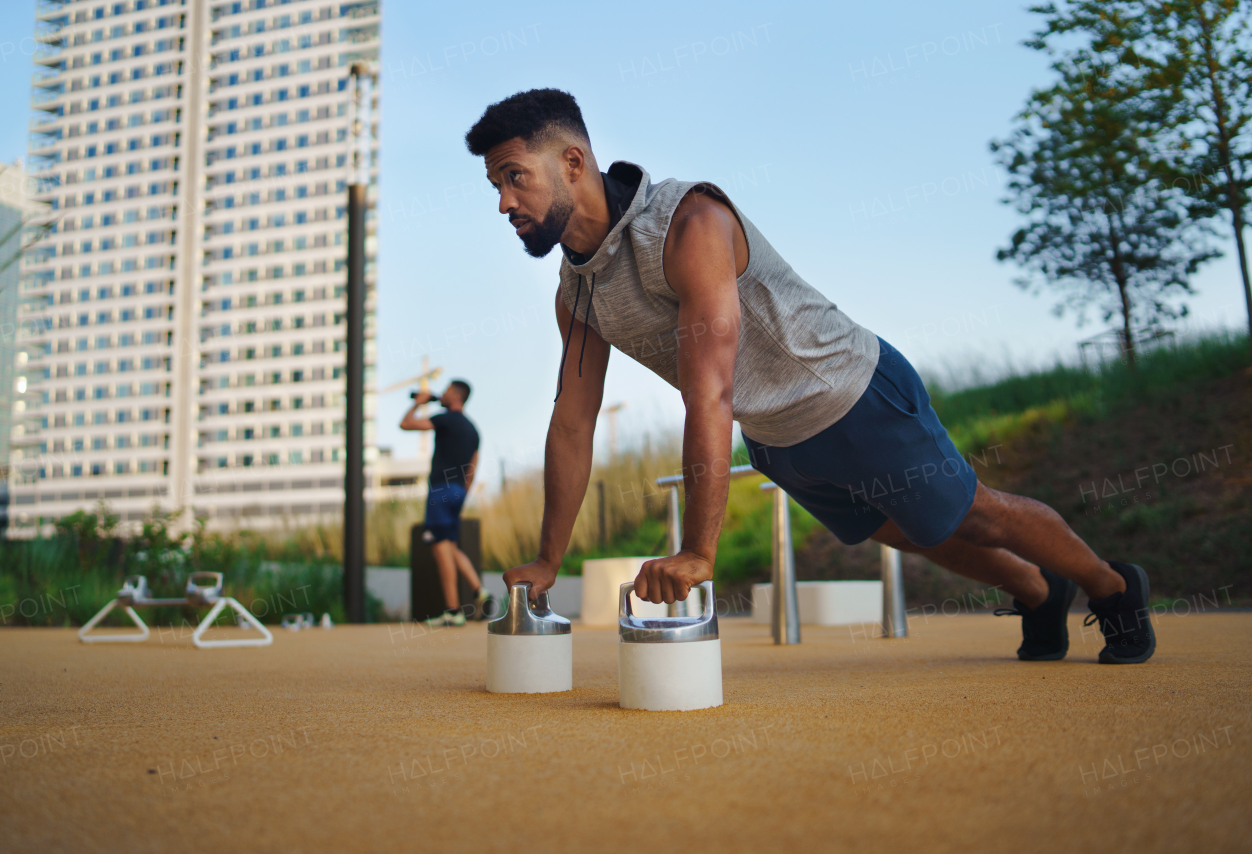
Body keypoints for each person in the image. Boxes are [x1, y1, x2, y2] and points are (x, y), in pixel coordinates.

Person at [466, 88, 1155, 664]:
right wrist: (548, 559)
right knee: (916, 532)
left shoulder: (688, 224)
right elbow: (573, 421)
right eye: (496, 184)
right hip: (779, 437)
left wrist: (698, 551)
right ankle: (1039, 594)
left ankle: (1111, 587)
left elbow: (711, 390)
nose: (503, 203)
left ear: (573, 161)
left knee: (969, 513)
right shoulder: (577, 291)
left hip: (848, 391)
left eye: (514, 176)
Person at [400, 379, 489, 626]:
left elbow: (405, 424)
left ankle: (452, 611)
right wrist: (464, 491)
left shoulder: (445, 419)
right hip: (459, 491)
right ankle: (478, 590)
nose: (444, 392)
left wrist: (418, 403)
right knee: (449, 544)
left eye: (448, 389)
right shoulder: (474, 430)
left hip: (440, 490)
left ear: (456, 396)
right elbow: (473, 466)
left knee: (439, 547)